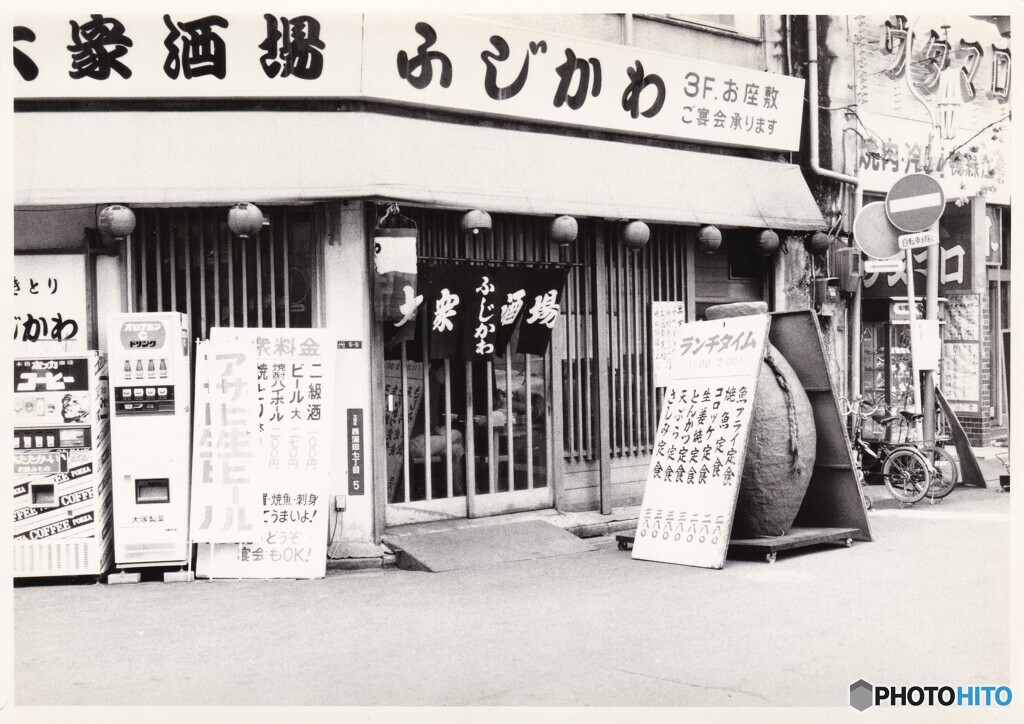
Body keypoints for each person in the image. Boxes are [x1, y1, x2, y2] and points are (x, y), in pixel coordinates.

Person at [408, 362, 466, 495]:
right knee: (457, 434)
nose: (447, 376)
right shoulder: (432, 384)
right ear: (438, 370)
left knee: (456, 450)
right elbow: (430, 419)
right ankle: (455, 493)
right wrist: (439, 430)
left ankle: (457, 493)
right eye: (446, 372)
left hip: (417, 441)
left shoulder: (424, 383)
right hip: (417, 443)